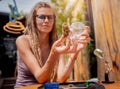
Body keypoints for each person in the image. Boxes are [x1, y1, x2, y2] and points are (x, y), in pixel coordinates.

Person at [14, 1, 90, 88]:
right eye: (42, 17)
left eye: (50, 17)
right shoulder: (22, 41)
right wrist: (54, 53)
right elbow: (41, 78)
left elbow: (61, 78)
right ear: (34, 20)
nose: (46, 21)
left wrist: (74, 55)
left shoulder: (57, 43)